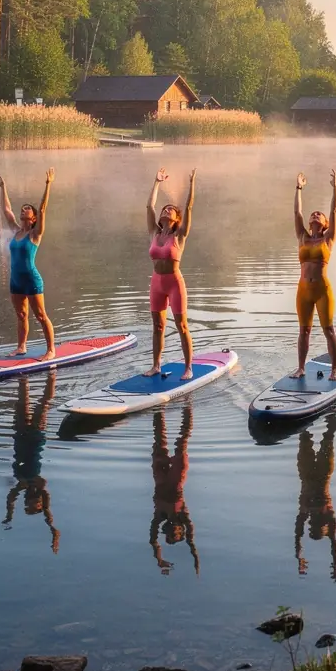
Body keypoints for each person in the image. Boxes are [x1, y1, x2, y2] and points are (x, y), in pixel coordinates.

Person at [0, 169, 56, 359]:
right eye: (22, 209)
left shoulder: (35, 234)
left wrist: (48, 185)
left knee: (40, 316)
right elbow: (6, 210)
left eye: (27, 209)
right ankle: (21, 347)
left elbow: (44, 208)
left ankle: (51, 350)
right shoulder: (15, 231)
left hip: (31, 280)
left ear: (34, 218)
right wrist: (3, 187)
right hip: (16, 281)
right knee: (21, 316)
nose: (23, 210)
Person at [146, 167, 196, 379]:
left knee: (182, 325)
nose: (165, 210)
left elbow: (189, 206)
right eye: (164, 209)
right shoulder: (154, 233)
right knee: (158, 326)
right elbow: (149, 205)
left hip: (174, 283)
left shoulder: (180, 235)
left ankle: (188, 368)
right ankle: (156, 365)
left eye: (170, 210)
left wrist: (191, 183)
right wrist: (157, 182)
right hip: (157, 283)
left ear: (177, 218)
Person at [3, 371, 60, 554]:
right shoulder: (40, 483)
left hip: (20, 439)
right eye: (36, 505)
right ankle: (52, 375)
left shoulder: (22, 484)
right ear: (41, 503)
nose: (32, 503)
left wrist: (9, 514)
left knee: (22, 403)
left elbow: (11, 498)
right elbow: (48, 513)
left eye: (28, 504)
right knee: (43, 405)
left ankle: (23, 377)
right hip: (35, 439)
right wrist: (53, 532)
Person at [292, 170, 336, 380]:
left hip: (322, 290)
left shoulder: (328, 239)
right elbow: (297, 213)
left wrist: (335, 188)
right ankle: (301, 368)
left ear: (325, 223)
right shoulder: (302, 237)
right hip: (303, 290)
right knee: (304, 331)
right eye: (313, 214)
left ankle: (335, 369)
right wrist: (298, 188)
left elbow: (335, 210)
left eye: (319, 214)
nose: (314, 215)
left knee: (328, 329)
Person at [149, 407, 199, 576]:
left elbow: (153, 541)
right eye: (178, 534)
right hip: (176, 478)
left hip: (160, 477)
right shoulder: (183, 516)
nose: (175, 531)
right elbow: (192, 542)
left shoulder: (159, 517)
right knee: (182, 442)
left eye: (172, 535)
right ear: (182, 530)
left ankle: (158, 409)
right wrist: (196, 560)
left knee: (159, 439)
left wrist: (159, 560)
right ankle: (188, 407)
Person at [295, 413, 336, 581]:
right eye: (317, 524)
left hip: (306, 473)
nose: (314, 520)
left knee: (305, 436)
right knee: (329, 435)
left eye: (312, 525)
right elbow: (334, 542)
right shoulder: (328, 514)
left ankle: (307, 414)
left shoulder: (305, 514)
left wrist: (299, 555)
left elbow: (297, 534)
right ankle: (332, 411)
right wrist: (335, 563)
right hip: (323, 474)